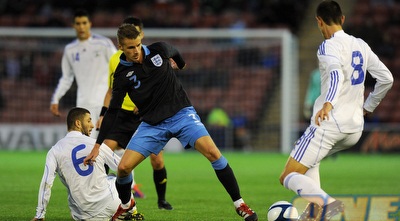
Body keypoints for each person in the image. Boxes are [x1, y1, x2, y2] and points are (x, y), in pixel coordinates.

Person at [84, 24, 258, 221]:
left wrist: (180, 64)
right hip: (152, 124)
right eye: (130, 47)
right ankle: (126, 207)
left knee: (213, 153)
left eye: (138, 45)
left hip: (181, 114)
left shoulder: (159, 50)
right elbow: (113, 111)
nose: (136, 51)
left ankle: (240, 204)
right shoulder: (122, 75)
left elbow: (175, 51)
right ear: (120, 47)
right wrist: (97, 145)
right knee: (123, 168)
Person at [279, 1, 394, 221]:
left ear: (319, 21)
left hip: (329, 124)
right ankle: (313, 215)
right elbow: (387, 78)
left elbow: (336, 75)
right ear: (342, 19)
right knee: (310, 158)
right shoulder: (361, 44)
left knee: (288, 175)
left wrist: (329, 103)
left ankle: (326, 204)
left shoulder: (327, 46)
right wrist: (368, 107)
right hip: (354, 129)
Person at [99, 16, 173, 209]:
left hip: (146, 117)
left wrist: (147, 103)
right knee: (105, 151)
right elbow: (110, 90)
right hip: (122, 115)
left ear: (142, 35)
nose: (135, 47)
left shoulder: (152, 56)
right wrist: (102, 114)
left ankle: (162, 200)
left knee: (157, 161)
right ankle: (101, 193)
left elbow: (161, 86)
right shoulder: (116, 59)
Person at [31, 107, 144, 221]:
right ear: (78, 123)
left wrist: (40, 214)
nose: (93, 125)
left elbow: (46, 183)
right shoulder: (96, 145)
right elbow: (123, 167)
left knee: (72, 197)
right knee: (115, 177)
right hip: (112, 205)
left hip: (83, 215)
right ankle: (131, 212)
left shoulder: (55, 150)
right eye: (89, 120)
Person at [50, 9, 117, 138]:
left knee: (113, 146)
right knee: (86, 147)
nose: (81, 26)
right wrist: (55, 98)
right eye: (78, 23)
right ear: (73, 26)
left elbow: (119, 65)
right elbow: (66, 78)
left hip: (106, 103)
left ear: (90, 24)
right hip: (83, 105)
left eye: (84, 23)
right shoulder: (70, 50)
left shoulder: (103, 43)